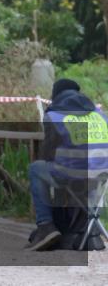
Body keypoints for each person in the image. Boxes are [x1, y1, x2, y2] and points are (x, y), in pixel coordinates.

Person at [25, 78, 108, 250]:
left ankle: (45, 226)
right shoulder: (101, 115)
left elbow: (48, 154)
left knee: (36, 169)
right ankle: (87, 228)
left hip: (71, 175)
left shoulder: (54, 116)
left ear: (56, 96)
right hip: (102, 176)